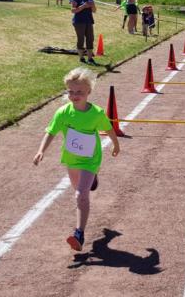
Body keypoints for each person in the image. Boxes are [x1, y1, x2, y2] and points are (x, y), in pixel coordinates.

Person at [33, 67, 120, 251]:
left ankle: (79, 233)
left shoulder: (96, 113)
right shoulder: (63, 113)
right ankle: (92, 181)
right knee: (80, 190)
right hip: (72, 159)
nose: (74, 95)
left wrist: (116, 144)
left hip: (90, 159)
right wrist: (41, 150)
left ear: (89, 91)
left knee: (81, 196)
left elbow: (109, 128)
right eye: (71, 91)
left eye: (79, 91)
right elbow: (51, 132)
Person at [71, 0, 98, 66]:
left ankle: (90, 58)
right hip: (79, 22)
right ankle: (81, 58)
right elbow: (73, 10)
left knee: (90, 39)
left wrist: (93, 5)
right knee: (81, 39)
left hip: (89, 21)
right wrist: (83, 6)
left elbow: (94, 11)